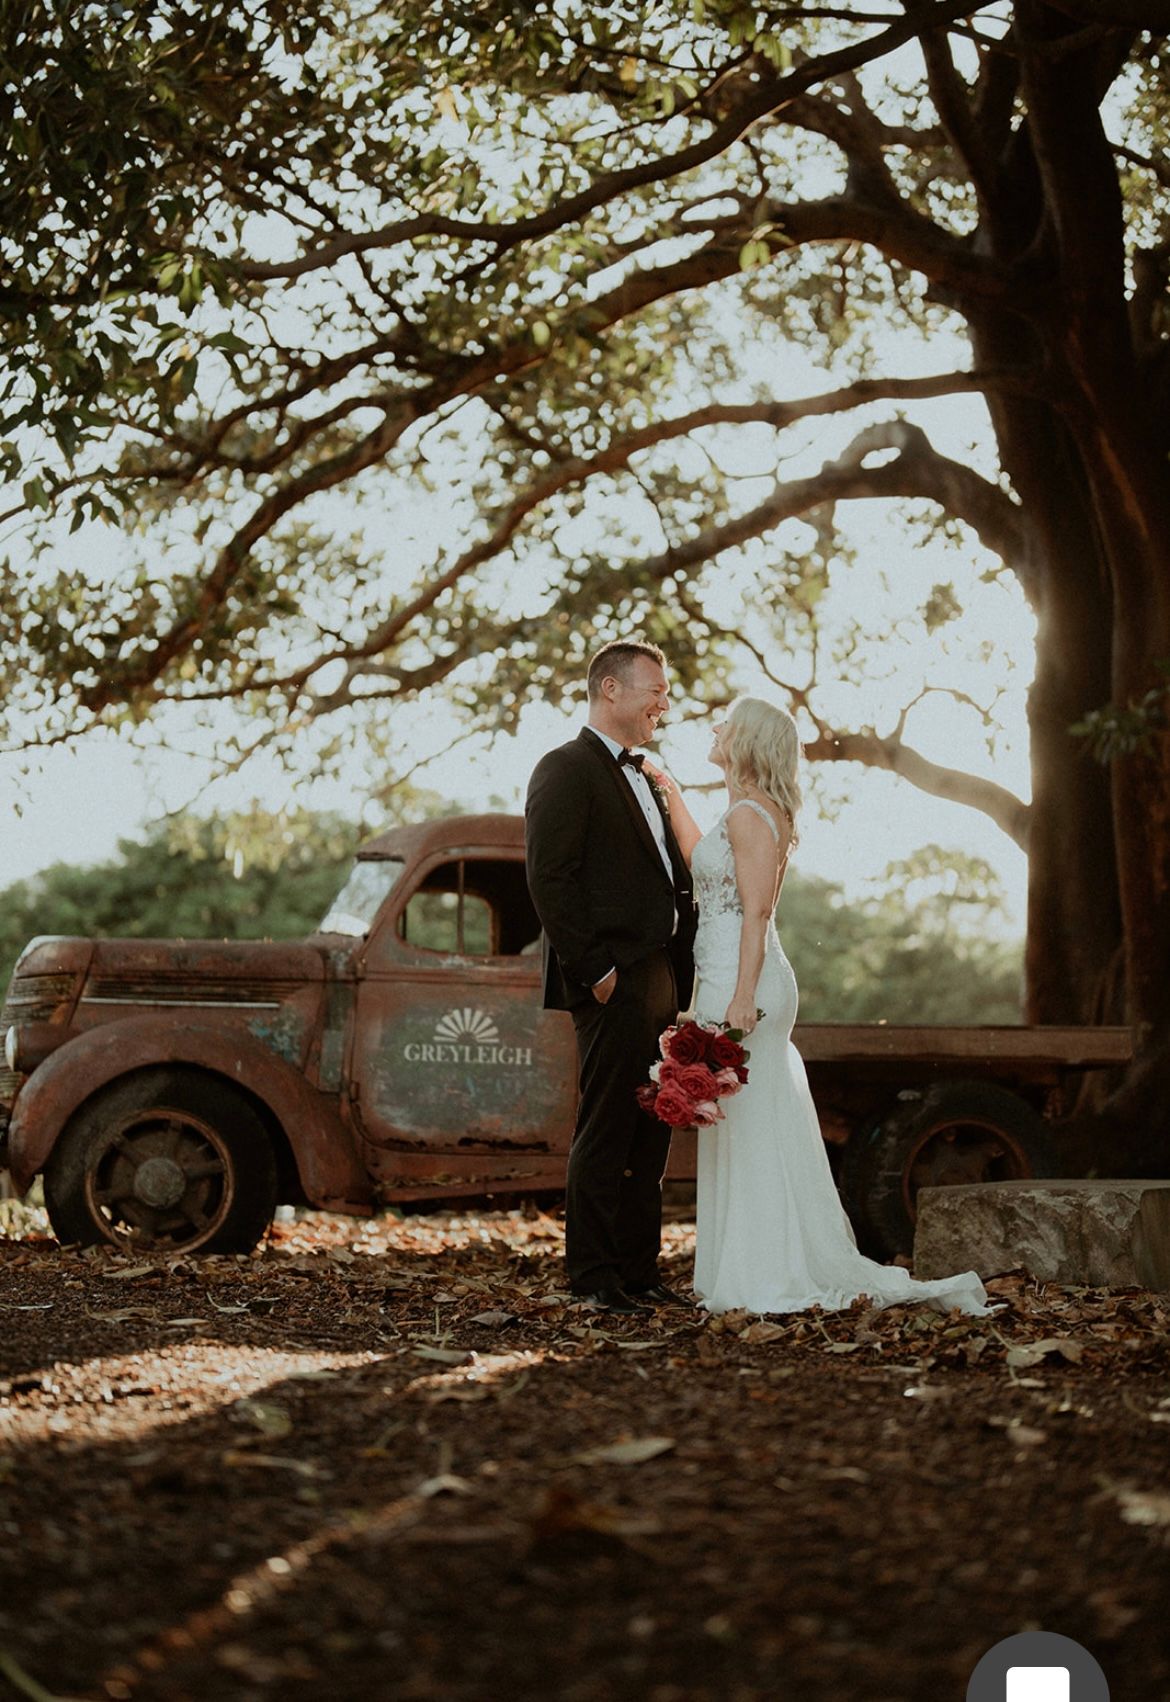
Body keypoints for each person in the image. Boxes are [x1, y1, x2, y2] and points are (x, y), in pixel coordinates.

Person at [649, 695, 992, 1316]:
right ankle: (748, 1266)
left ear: (748, 740)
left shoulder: (752, 816)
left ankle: (766, 1273)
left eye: (726, 721)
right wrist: (670, 792)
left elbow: (756, 911)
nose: (716, 726)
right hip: (728, 977)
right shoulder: (744, 811)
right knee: (747, 1124)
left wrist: (743, 997)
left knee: (750, 1127)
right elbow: (707, 861)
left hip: (744, 983)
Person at [524, 639, 697, 1314]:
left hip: (663, 976)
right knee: (606, 1129)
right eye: (654, 688)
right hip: (613, 977)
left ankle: (639, 1271)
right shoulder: (564, 768)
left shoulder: (652, 773)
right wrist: (595, 970)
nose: (664, 701)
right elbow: (551, 876)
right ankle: (593, 1276)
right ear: (610, 690)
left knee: (652, 1127)